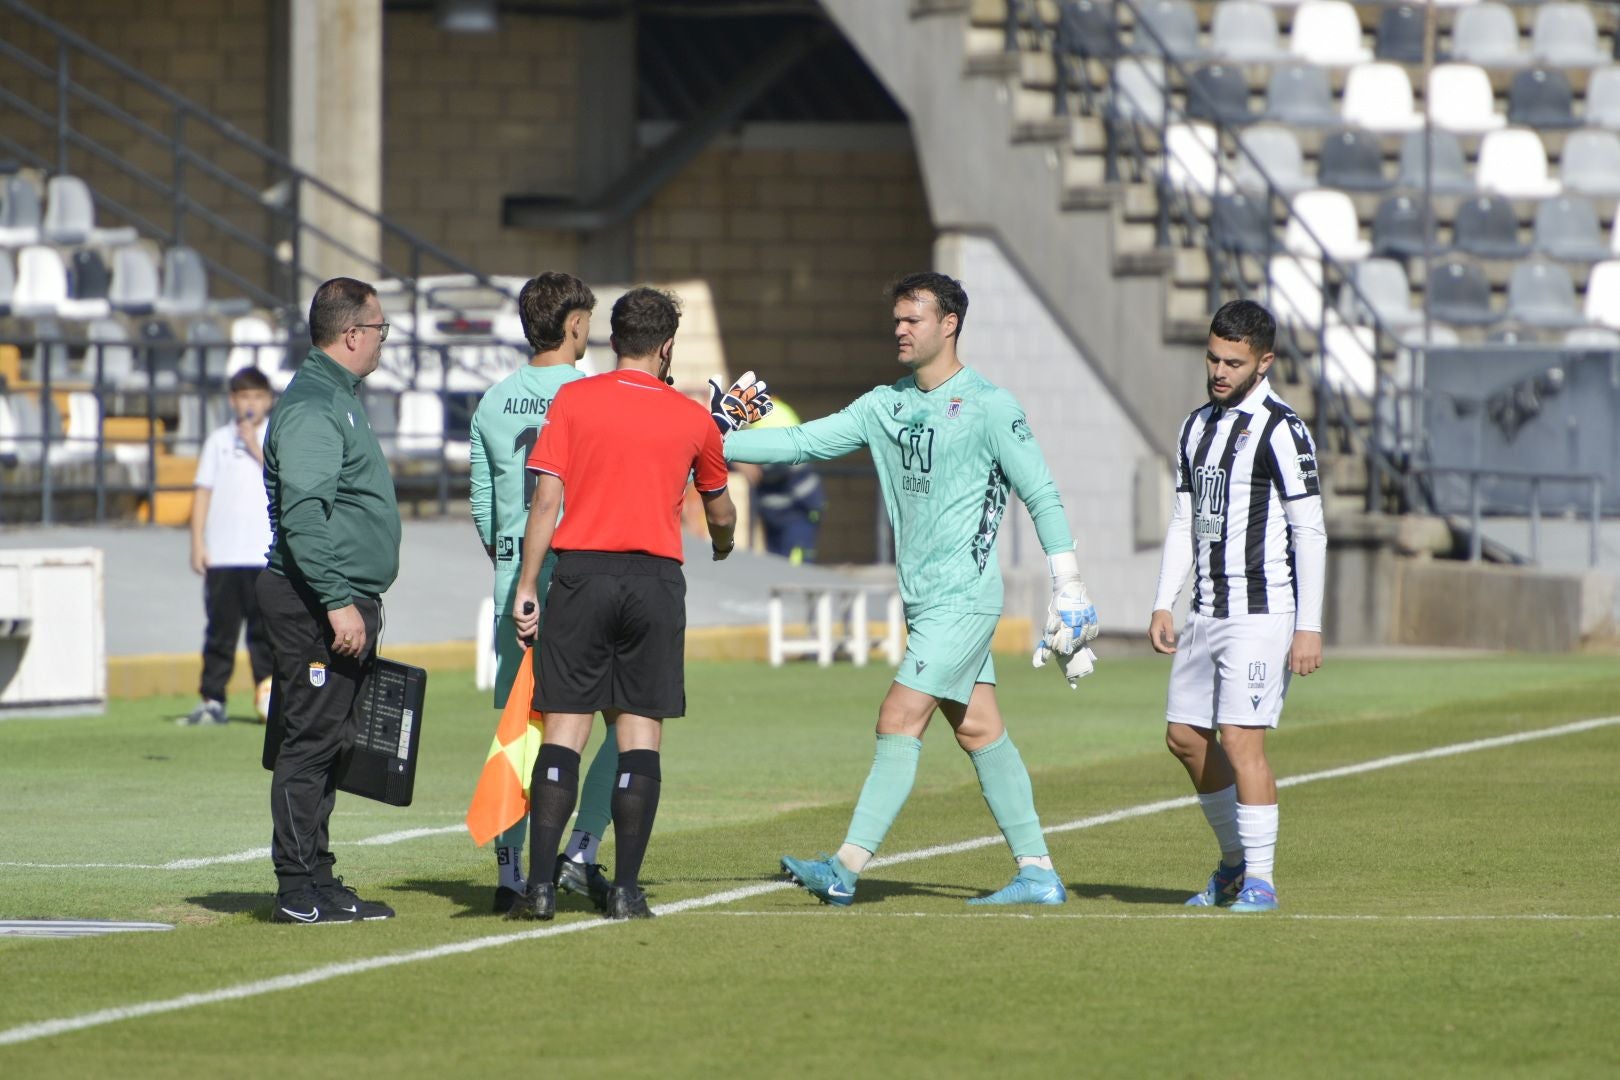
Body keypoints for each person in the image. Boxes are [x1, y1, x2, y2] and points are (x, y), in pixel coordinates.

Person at [725, 271, 1099, 908]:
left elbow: (1040, 492)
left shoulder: (990, 405)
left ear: (949, 324)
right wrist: (709, 440)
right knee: (979, 730)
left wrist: (1069, 583)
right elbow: (802, 441)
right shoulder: (884, 404)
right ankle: (1037, 872)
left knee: (898, 718)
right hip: (924, 602)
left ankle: (844, 868)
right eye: (896, 319)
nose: (899, 329)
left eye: (912, 319)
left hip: (964, 599)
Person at [507, 286, 760, 922]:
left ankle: (539, 888)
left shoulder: (573, 399)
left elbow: (545, 501)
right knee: (640, 735)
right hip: (653, 582)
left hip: (581, 576)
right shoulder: (692, 417)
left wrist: (527, 585)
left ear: (613, 339)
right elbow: (720, 511)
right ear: (667, 346)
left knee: (565, 731)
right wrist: (724, 546)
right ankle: (624, 890)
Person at [1148, 298, 1326, 914]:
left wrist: (1309, 627)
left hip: (1261, 611)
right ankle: (1233, 865)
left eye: (1233, 362)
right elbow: (1183, 519)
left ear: (1264, 362)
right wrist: (1163, 602)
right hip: (1205, 610)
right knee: (1183, 737)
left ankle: (1261, 882)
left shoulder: (1282, 429)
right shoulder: (1195, 426)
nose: (1220, 371)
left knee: (1242, 742)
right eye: (1213, 359)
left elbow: (1310, 531)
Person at [468, 271, 617, 914]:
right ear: (575, 325)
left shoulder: (494, 400)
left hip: (514, 586)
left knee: (520, 729)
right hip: (583, 579)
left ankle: (509, 873)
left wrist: (511, 562)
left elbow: (483, 502)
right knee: (625, 720)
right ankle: (580, 850)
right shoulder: (594, 396)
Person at [258, 277, 402, 925]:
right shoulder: (315, 406)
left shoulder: (339, 396)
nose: (382, 340)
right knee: (310, 742)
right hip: (313, 600)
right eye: (379, 329)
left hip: (334, 597)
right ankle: (296, 889)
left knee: (335, 742)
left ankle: (319, 876)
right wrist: (339, 601)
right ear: (351, 334)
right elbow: (303, 518)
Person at [181, 366, 275, 726]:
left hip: (264, 555)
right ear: (233, 401)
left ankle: (270, 700)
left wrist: (253, 445)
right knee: (220, 633)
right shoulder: (218, 441)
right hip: (223, 555)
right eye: (244, 397)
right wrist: (197, 542)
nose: (251, 404)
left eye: (257, 397)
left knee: (265, 636)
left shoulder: (275, 437)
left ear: (268, 400)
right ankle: (212, 699)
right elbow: (203, 492)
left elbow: (281, 477)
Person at [731, 398, 825, 564]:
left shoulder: (775, 416)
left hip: (799, 508)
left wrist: (741, 459)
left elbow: (783, 460)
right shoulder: (745, 418)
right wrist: (735, 460)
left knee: (796, 565)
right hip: (773, 512)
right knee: (776, 565)